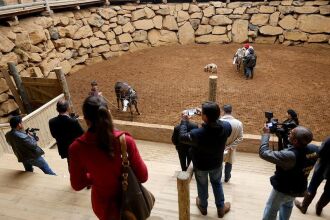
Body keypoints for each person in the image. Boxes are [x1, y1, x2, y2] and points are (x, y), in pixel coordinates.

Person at [69, 96, 148, 220]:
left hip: (103, 206)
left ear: (86, 120)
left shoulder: (76, 148)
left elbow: (77, 184)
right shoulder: (125, 141)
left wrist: (94, 176)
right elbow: (143, 176)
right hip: (130, 204)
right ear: (108, 113)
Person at [179, 101, 232, 218]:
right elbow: (220, 123)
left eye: (202, 113)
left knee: (202, 185)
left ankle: (203, 207)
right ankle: (220, 208)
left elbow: (182, 137)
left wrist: (184, 121)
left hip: (201, 165)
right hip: (217, 163)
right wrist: (205, 116)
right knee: (217, 183)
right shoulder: (226, 127)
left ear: (206, 117)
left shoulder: (197, 134)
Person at [259, 126, 319, 220]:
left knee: (272, 209)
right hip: (298, 187)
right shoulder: (314, 149)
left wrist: (266, 134)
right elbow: (295, 150)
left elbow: (264, 153)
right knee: (287, 205)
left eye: (291, 133)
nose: (289, 133)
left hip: (283, 189)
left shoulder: (291, 156)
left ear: (295, 141)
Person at [294, 136, 330, 216]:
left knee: (313, 186)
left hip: (323, 165)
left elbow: (320, 152)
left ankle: (304, 206)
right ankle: (319, 208)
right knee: (329, 191)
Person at [49, 99, 84, 166]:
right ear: (68, 108)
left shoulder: (51, 121)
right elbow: (81, 134)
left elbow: (54, 135)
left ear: (57, 109)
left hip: (63, 149)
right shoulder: (73, 121)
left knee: (70, 165)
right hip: (75, 149)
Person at [220, 104, 243, 183]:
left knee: (219, 162)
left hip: (220, 147)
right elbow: (240, 137)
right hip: (231, 148)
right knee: (229, 162)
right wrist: (230, 146)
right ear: (231, 111)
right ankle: (227, 178)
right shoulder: (238, 123)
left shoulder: (219, 122)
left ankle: (218, 177)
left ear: (223, 111)